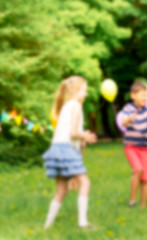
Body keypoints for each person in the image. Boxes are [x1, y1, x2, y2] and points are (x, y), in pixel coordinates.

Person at [42, 76, 97, 229]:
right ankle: (83, 222)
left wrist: (82, 138)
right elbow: (73, 133)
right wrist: (85, 135)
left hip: (56, 149)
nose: (85, 94)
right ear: (75, 91)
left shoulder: (66, 106)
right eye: (84, 90)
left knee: (61, 189)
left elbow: (69, 134)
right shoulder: (76, 106)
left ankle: (47, 226)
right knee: (85, 182)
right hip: (65, 148)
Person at [121, 81, 147, 208]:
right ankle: (132, 201)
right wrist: (129, 119)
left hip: (145, 148)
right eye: (141, 95)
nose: (144, 98)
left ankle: (143, 206)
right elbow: (123, 123)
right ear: (133, 95)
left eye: (145, 95)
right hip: (131, 146)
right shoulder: (128, 109)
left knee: (145, 177)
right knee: (138, 169)